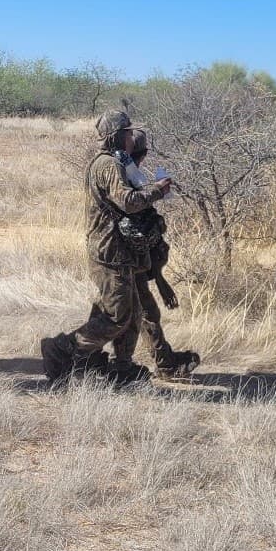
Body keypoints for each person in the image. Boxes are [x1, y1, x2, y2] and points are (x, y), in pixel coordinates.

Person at [40, 109, 171, 386]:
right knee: (116, 317)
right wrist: (158, 190)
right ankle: (62, 349)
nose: (131, 138)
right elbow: (128, 202)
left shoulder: (110, 162)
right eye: (127, 133)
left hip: (117, 251)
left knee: (131, 314)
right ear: (116, 136)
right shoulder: (108, 165)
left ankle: (122, 368)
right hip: (110, 252)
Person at [122, 129, 200, 379]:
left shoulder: (125, 175)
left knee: (141, 311)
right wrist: (156, 191)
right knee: (124, 315)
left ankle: (163, 362)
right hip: (124, 258)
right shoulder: (122, 177)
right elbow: (133, 215)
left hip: (132, 258)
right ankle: (71, 353)